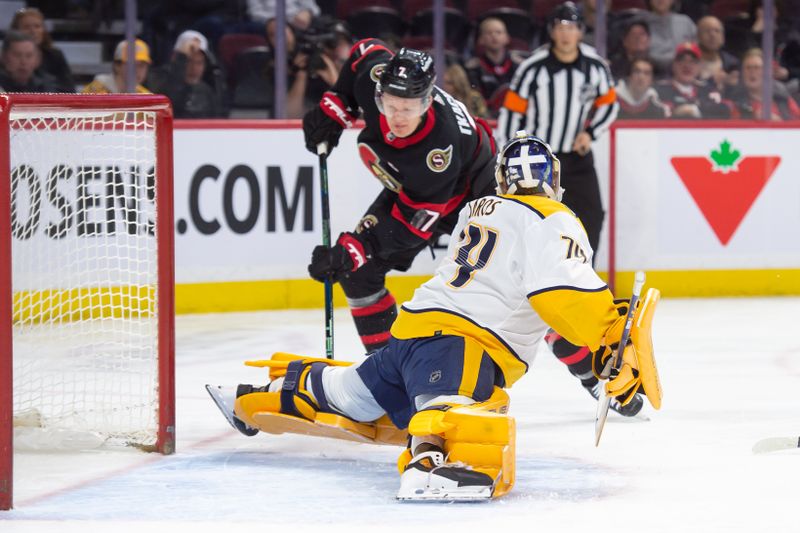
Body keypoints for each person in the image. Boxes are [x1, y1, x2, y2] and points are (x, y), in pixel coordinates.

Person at [207, 132, 662, 500]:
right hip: (461, 342)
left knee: (346, 395)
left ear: (503, 179)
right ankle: (425, 467)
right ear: (553, 180)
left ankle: (250, 396)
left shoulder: (476, 210)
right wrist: (608, 338)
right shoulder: (554, 218)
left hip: (408, 334)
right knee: (449, 407)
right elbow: (560, 292)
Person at [302, 44, 498, 353]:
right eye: (390, 106)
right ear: (379, 92)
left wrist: (358, 248)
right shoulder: (375, 78)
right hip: (419, 192)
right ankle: (387, 372)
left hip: (480, 196)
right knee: (360, 273)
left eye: (409, 108)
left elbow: (412, 225)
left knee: (516, 285)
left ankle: (591, 375)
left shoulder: (438, 150)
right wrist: (336, 105)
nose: (398, 117)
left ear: (428, 102)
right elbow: (364, 52)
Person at [497, 3, 623, 409]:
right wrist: (510, 157)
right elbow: (510, 111)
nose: (566, 33)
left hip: (577, 158)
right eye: (560, 26)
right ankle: (543, 283)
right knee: (537, 225)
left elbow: (610, 104)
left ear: (581, 32)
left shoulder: (594, 65)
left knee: (591, 220)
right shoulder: (533, 67)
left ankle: (578, 283)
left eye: (573, 26)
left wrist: (593, 131)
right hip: (539, 164)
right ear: (552, 31)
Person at [147, 30, 224, 118]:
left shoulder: (207, 91)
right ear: (176, 59)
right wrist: (181, 57)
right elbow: (171, 100)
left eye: (199, 62)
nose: (194, 68)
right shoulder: (158, 82)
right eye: (189, 61)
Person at [464, 17, 527, 117]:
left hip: (516, 117)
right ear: (481, 39)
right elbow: (474, 102)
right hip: (485, 119)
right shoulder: (472, 69)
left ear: (507, 38)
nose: (494, 36)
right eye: (489, 33)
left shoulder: (520, 66)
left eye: (498, 32)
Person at [655, 41, 732, 119]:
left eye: (692, 61)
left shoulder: (709, 92)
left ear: (699, 67)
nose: (687, 65)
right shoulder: (658, 91)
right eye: (682, 60)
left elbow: (723, 115)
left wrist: (695, 111)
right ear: (674, 65)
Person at [11, 7, 75, 92]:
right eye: (26, 27)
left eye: (37, 26)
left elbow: (69, 90)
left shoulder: (55, 56)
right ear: (16, 31)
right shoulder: (7, 57)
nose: (33, 31)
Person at [730, 48, 800, 120]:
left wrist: (778, 123)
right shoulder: (735, 101)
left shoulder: (782, 98)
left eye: (756, 68)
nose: (752, 72)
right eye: (748, 68)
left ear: (767, 72)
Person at [643, 0, 697, 74]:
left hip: (683, 76)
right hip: (649, 74)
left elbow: (697, 53)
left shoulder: (685, 22)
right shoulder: (641, 24)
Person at [82, 38, 152, 94]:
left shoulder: (146, 96)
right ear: (117, 65)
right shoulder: (94, 93)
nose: (137, 70)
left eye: (142, 66)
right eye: (132, 64)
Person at [696, 15, 740, 92]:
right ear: (698, 36)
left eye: (717, 31)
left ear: (723, 38)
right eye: (707, 31)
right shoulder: (688, 63)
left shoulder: (733, 65)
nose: (712, 35)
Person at [248, 0, 320, 30]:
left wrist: (307, 13)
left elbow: (314, 8)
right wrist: (286, 20)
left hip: (299, 22)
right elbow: (255, 14)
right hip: (270, 23)